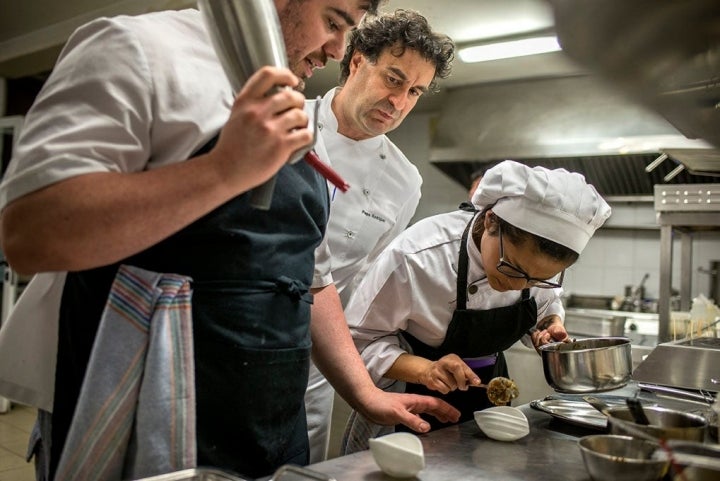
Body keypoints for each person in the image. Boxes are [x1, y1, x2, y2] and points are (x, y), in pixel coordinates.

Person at [0, 1, 461, 479]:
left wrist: (365, 393)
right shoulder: (142, 50)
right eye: (333, 23)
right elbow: (30, 233)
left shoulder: (287, 108)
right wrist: (224, 170)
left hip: (264, 406)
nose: (337, 49)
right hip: (147, 395)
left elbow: (310, 276)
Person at [341, 160, 611, 452]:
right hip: (409, 400)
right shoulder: (416, 257)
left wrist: (548, 326)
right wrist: (424, 370)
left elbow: (546, 305)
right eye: (513, 269)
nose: (521, 286)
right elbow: (357, 341)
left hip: (490, 398)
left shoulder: (529, 273)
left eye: (539, 279)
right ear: (491, 221)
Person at [304, 9, 455, 462]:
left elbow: (367, 289)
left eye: (414, 92)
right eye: (393, 79)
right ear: (356, 62)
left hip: (315, 369)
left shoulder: (404, 183)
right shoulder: (291, 124)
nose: (400, 101)